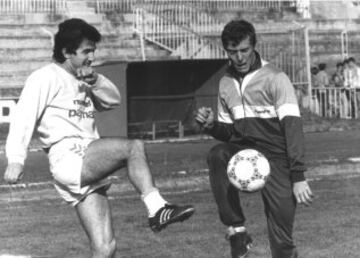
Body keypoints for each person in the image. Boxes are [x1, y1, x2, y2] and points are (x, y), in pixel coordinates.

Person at [4, 18, 194, 258]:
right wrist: (16, 159)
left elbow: (113, 101)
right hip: (69, 156)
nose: (91, 57)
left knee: (105, 248)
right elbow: (23, 118)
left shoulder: (83, 79)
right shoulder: (44, 77)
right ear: (66, 51)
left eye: (93, 51)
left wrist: (96, 81)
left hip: (86, 160)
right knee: (133, 147)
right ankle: (157, 208)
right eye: (86, 51)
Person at [195, 20, 313, 258]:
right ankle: (237, 231)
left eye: (244, 50)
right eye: (232, 51)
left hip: (277, 157)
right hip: (244, 151)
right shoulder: (225, 82)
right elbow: (228, 132)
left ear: (253, 46)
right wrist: (211, 126)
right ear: (226, 50)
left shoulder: (275, 78)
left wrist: (298, 176)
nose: (238, 57)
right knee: (217, 154)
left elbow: (292, 128)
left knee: (281, 239)